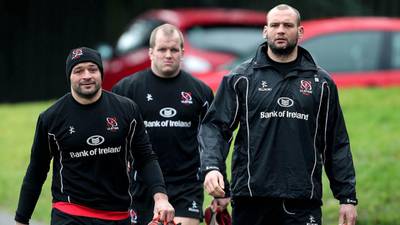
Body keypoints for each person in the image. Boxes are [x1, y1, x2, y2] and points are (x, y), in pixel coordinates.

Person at [199, 4, 358, 225]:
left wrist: (347, 197)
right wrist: (212, 168)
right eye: (275, 25)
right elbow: (215, 127)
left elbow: (336, 143)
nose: (280, 30)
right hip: (251, 198)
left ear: (300, 32)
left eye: (287, 25)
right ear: (265, 31)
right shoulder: (240, 78)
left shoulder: (321, 83)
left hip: (302, 200)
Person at [15, 47, 175, 225]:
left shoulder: (126, 110)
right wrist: (22, 219)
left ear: (101, 72)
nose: (87, 75)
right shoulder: (51, 118)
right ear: (69, 76)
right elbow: (37, 170)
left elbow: (145, 158)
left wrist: (161, 198)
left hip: (117, 215)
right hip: (70, 213)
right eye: (79, 70)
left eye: (92, 69)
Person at [112, 24, 216, 225]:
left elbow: (212, 139)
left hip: (186, 186)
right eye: (162, 49)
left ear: (182, 53)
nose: (168, 55)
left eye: (174, 50)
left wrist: (218, 181)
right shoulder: (126, 90)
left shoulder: (200, 92)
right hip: (141, 186)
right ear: (151, 52)